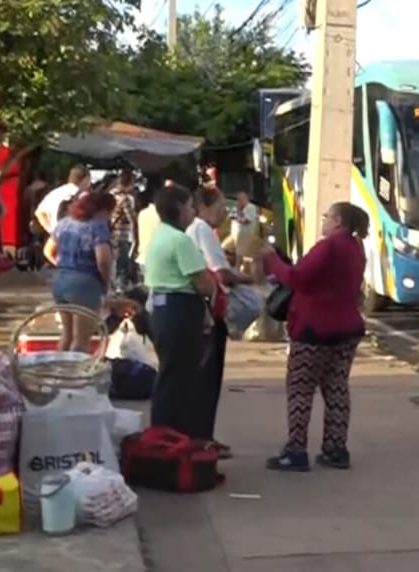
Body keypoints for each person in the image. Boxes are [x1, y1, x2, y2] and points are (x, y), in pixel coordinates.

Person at [260, 202, 369, 472]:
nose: (323, 220)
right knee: (336, 387)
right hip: (347, 328)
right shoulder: (356, 248)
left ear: (339, 222)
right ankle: (336, 448)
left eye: (327, 216)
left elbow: (298, 277)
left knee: (301, 388)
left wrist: (273, 261)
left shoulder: (328, 246)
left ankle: (296, 450)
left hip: (314, 329)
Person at [143, 186, 218, 438]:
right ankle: (172, 438)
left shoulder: (160, 235)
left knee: (170, 375)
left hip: (163, 310)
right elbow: (203, 283)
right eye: (189, 206)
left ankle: (163, 435)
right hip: (181, 310)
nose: (193, 211)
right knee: (180, 379)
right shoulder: (180, 240)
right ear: (177, 209)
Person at [186, 187, 253, 457]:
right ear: (203, 205)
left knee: (202, 377)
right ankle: (202, 439)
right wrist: (247, 279)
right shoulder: (201, 229)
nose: (225, 214)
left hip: (198, 310)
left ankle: (201, 436)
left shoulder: (194, 230)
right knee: (207, 378)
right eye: (220, 208)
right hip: (209, 310)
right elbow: (221, 274)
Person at [44, 191, 115, 352]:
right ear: (103, 211)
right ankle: (74, 374)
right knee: (81, 339)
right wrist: (105, 282)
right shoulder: (98, 226)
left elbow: (48, 251)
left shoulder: (64, 223)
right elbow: (103, 259)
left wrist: (65, 266)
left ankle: (60, 372)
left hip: (60, 281)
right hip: (86, 284)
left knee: (67, 335)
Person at [34, 165, 92, 235]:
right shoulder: (82, 195)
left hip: (56, 237)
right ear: (85, 179)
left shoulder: (56, 192)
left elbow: (39, 212)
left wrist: (51, 230)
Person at [110, 171, 138, 288]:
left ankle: (114, 285)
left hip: (111, 233)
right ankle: (121, 288)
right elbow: (131, 218)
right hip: (122, 234)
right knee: (123, 263)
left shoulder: (111, 194)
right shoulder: (125, 198)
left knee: (115, 262)